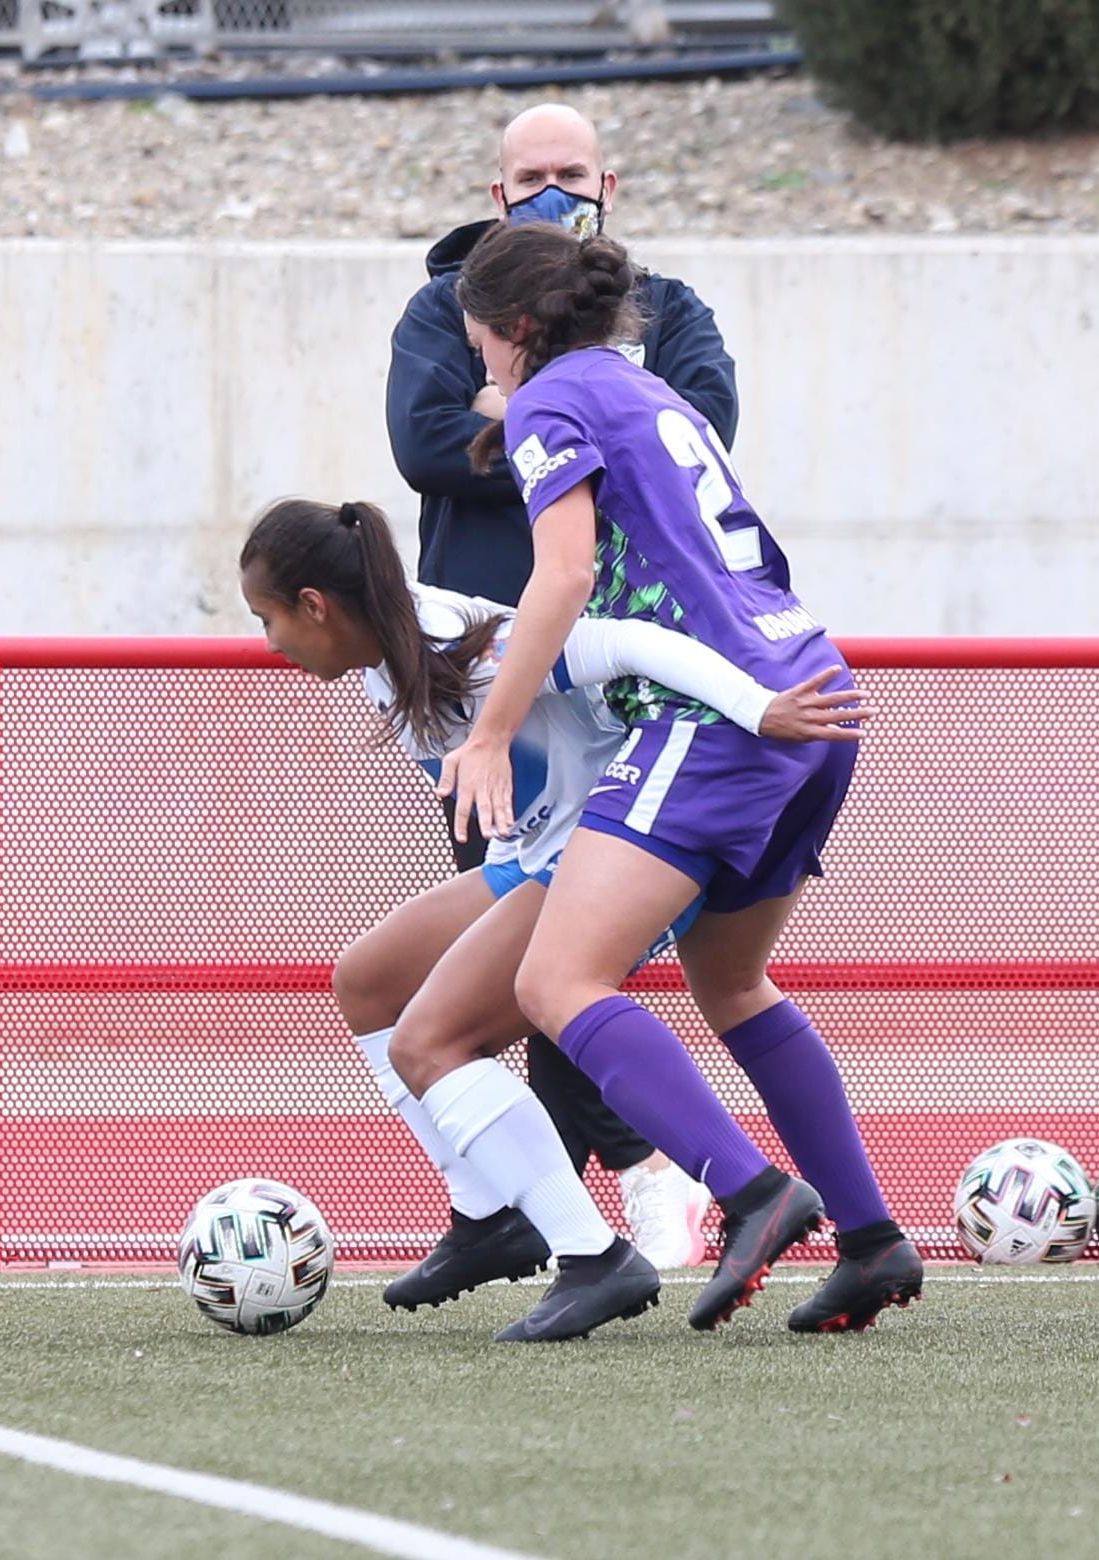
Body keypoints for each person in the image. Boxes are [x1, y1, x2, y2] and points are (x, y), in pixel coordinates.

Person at [428, 220, 923, 1342]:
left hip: (722, 714)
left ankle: (752, 1193)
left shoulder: (554, 399)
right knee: (734, 983)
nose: (480, 367)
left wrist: (495, 728)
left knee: (560, 982)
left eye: (479, 343)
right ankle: (870, 1239)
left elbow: (558, 574)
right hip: (809, 689)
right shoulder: (643, 389)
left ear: (513, 330)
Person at [238, 496, 875, 1329]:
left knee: (428, 1040)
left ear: (315, 606)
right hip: (539, 855)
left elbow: (627, 642)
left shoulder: (450, 644)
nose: (269, 642)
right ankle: (490, 1215)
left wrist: (759, 707)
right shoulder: (382, 660)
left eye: (267, 619)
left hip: (613, 849)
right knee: (367, 982)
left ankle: (592, 1254)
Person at [386, 101, 739, 1264]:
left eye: (570, 173)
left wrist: (526, 419)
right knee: (491, 959)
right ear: (496, 193)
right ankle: (510, 1208)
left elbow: (699, 433)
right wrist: (569, 425)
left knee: (564, 962)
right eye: (529, 175)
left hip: (622, 679)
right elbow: (423, 441)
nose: (551, 189)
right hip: (490, 689)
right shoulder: (444, 305)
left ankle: (639, 1183)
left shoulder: (670, 306)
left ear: (609, 184)